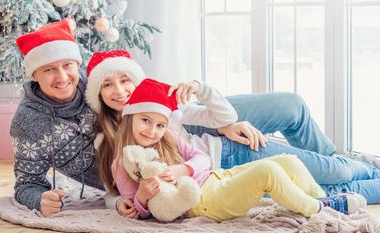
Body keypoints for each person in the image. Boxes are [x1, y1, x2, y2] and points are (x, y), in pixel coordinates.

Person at [85, 50, 380, 207]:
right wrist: (122, 205)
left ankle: (369, 167)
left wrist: (201, 91)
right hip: (221, 179)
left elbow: (214, 126)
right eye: (107, 85)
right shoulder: (107, 141)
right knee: (328, 192)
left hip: (230, 151)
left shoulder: (165, 112)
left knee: (336, 171)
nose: (119, 91)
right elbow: (116, 188)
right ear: (98, 94)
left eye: (125, 81)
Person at [110, 78, 367, 220]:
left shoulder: (167, 137)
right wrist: (142, 196)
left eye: (159, 124)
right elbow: (135, 208)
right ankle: (317, 209)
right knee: (267, 172)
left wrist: (182, 169)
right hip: (203, 202)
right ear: (129, 117)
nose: (151, 131)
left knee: (287, 161)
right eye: (145, 121)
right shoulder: (123, 162)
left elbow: (201, 158)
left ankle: (322, 202)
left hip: (216, 177)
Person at [11, 20, 120, 216]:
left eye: (67, 65)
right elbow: (26, 184)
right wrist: (39, 199)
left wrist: (192, 86)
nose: (62, 77)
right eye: (49, 69)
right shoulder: (28, 121)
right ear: (34, 74)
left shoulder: (96, 83)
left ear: (77, 64)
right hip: (123, 189)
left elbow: (141, 92)